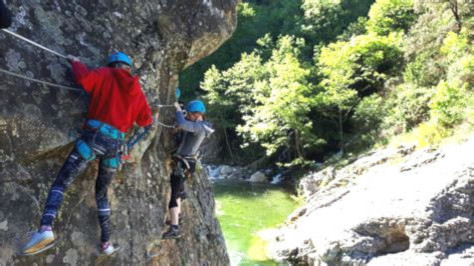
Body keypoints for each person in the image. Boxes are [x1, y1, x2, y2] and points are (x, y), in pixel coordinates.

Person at [22, 52, 155, 256]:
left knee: (62, 182)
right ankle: (106, 244)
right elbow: (146, 121)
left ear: (112, 65)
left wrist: (75, 62)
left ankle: (46, 229)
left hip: (93, 138)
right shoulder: (136, 88)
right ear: (128, 68)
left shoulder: (105, 73)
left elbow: (84, 79)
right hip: (115, 147)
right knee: (101, 194)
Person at [162, 100, 214, 239]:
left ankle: (174, 227)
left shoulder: (198, 127)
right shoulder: (200, 127)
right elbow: (185, 131)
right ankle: (177, 217)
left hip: (183, 164)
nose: (188, 117)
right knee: (178, 191)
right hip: (186, 164)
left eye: (190, 114)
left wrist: (178, 109)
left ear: (197, 114)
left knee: (174, 195)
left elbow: (183, 124)